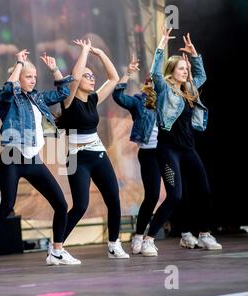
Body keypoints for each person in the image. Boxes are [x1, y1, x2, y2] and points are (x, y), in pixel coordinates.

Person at [0, 49, 81, 275]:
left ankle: (56, 251)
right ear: (19, 77)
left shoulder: (37, 97)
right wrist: (19, 63)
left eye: (35, 77)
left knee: (61, 204)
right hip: (12, 158)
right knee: (7, 206)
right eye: (29, 77)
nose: (33, 80)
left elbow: (63, 92)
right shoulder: (8, 100)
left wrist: (54, 69)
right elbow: (7, 90)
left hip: (33, 159)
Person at [140, 27, 222, 256]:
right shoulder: (165, 89)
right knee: (175, 195)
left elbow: (202, 76)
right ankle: (148, 239)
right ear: (171, 71)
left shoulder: (189, 90)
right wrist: (160, 46)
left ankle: (204, 234)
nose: (185, 72)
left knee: (204, 191)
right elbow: (155, 74)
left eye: (187, 69)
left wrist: (195, 57)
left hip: (188, 149)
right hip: (168, 150)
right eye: (182, 69)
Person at [59, 39, 129, 259]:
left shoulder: (93, 99)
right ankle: (57, 247)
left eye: (92, 76)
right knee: (80, 206)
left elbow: (114, 78)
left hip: (98, 155)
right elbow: (76, 76)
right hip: (76, 158)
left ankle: (114, 244)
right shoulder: (68, 101)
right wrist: (85, 51)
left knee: (114, 199)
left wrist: (99, 53)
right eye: (87, 76)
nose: (91, 78)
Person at [112, 55, 160, 255]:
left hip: (169, 152)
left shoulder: (169, 100)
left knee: (177, 195)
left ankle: (185, 233)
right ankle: (139, 235)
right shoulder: (139, 101)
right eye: (151, 80)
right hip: (150, 154)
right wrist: (127, 73)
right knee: (152, 196)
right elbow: (118, 96)